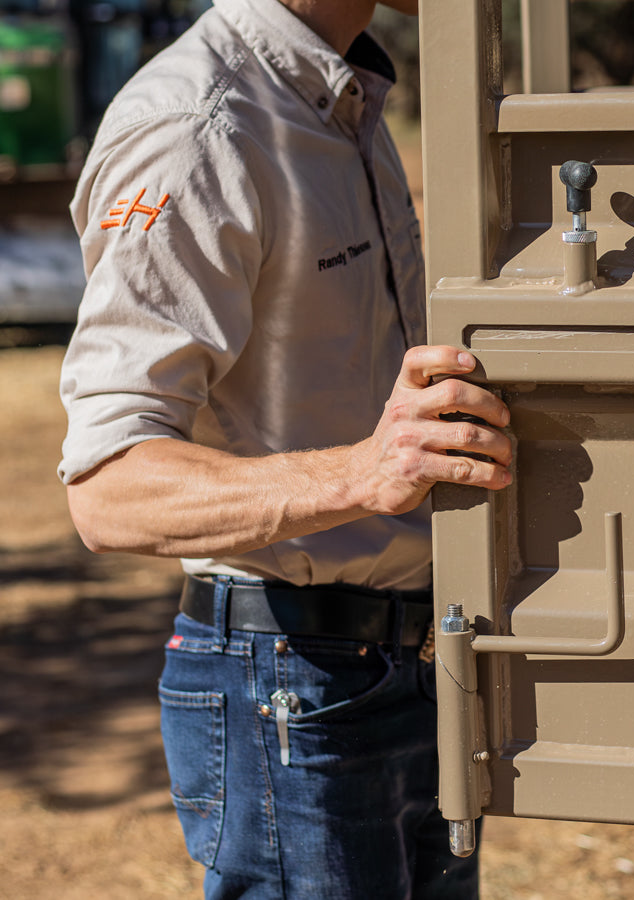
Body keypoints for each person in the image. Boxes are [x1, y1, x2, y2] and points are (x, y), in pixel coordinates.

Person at [57, 0, 511, 896]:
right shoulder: (197, 129)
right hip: (290, 691)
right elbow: (109, 485)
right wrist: (364, 471)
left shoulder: (338, 99)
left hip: (410, 670)